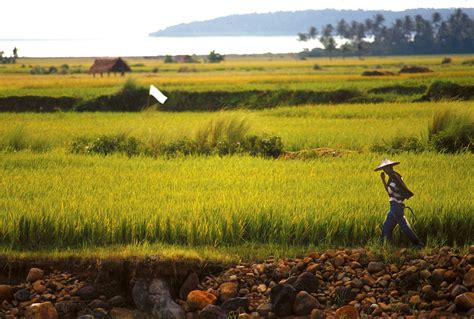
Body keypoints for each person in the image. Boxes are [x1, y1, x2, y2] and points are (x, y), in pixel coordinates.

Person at [375, 158, 424, 248]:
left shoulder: (394, 178)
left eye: (386, 168)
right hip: (395, 205)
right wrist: (384, 180)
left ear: (391, 167)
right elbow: (392, 192)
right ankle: (383, 244)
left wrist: (383, 180)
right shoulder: (395, 176)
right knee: (387, 225)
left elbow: (390, 192)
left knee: (404, 226)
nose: (385, 170)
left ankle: (418, 244)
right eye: (384, 169)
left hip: (396, 206)